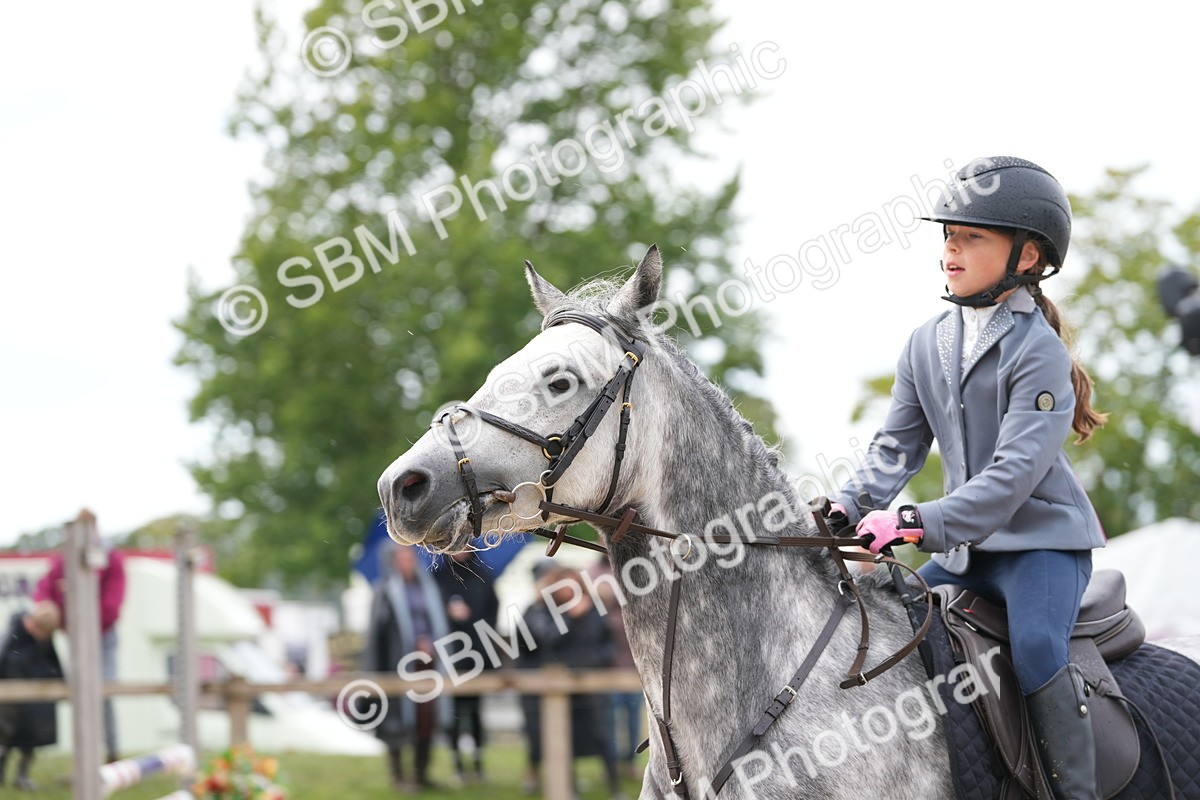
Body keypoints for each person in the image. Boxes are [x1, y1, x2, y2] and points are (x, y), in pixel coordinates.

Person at [829, 156, 1107, 800]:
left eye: (972, 236)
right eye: (948, 234)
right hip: (963, 553)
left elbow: (1011, 479)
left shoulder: (1040, 353)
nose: (951, 247)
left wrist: (913, 521)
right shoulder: (925, 343)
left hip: (1040, 547)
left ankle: (1076, 793)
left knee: (1038, 647)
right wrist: (844, 506)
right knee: (882, 625)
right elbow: (893, 452)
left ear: (1028, 256)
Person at [519, 564, 621, 799]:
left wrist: (595, 661)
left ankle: (614, 786)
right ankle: (568, 787)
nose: (569, 592)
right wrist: (570, 617)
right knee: (562, 739)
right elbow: (547, 642)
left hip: (594, 685)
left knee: (602, 735)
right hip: (561, 686)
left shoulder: (595, 610)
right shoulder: (545, 611)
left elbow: (609, 646)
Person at [363, 542, 451, 792]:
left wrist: (430, 643)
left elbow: (436, 623)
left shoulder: (429, 589)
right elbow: (377, 636)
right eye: (401, 558)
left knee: (426, 720)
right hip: (397, 666)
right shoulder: (384, 592)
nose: (407, 563)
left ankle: (421, 773)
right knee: (396, 721)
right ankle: (399, 776)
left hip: (429, 666)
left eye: (409, 557)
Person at [34, 546, 126, 764]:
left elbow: (111, 606)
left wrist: (79, 608)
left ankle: (111, 753)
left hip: (102, 634)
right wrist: (47, 608)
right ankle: (85, 758)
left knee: (103, 690)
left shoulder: (110, 559)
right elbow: (45, 588)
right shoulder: (63, 560)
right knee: (78, 692)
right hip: (75, 633)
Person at [430, 549, 500, 785]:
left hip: (477, 653)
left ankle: (478, 763)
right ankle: (458, 763)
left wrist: (474, 621)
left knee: (476, 710)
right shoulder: (437, 577)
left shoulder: (483, 575)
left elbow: (493, 613)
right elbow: (431, 613)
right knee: (454, 712)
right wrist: (448, 613)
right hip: (448, 654)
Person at [0, 601, 65, 789]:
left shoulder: (44, 638)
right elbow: (7, 661)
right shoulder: (15, 634)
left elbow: (52, 662)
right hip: (11, 699)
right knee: (6, 738)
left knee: (31, 740)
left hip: (34, 701)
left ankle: (22, 776)